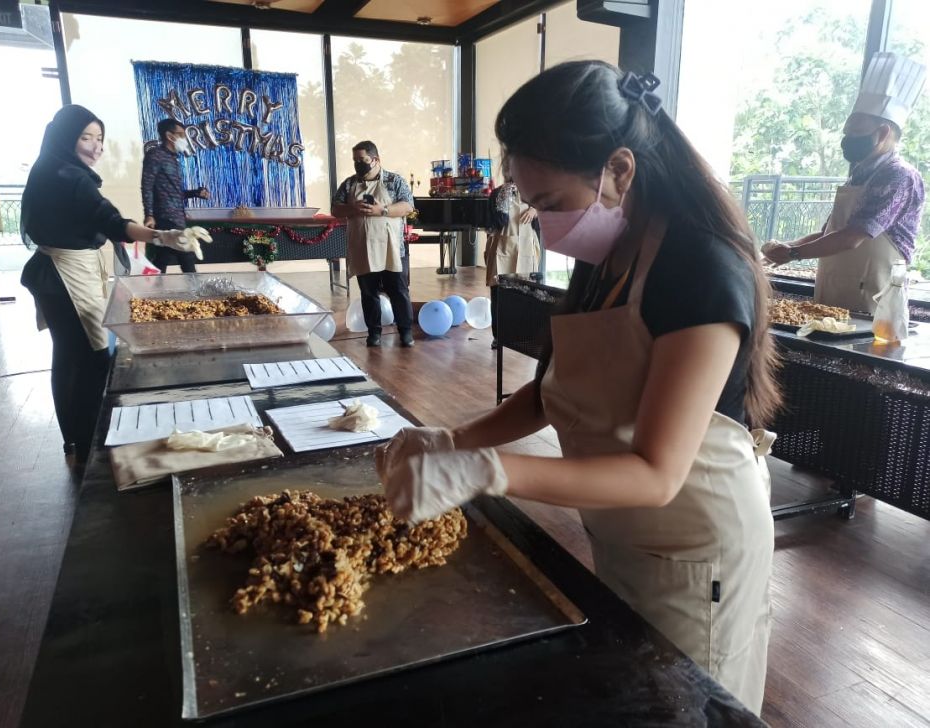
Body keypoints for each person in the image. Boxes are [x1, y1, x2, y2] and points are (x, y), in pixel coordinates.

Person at [377, 62, 782, 714]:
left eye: (552, 203)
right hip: (621, 533)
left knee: (687, 708)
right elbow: (550, 393)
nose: (541, 223)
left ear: (618, 171)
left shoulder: (699, 268)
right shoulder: (610, 257)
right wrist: (451, 440)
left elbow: (656, 473)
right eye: (531, 205)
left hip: (694, 549)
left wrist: (485, 471)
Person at [20, 105, 198, 464]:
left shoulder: (54, 168)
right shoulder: (66, 176)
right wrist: (161, 236)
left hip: (64, 270)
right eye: (86, 137)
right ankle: (88, 442)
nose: (96, 146)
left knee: (69, 355)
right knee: (90, 358)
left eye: (99, 138)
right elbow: (110, 220)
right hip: (66, 275)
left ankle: (75, 437)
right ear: (65, 137)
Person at [762, 52, 926, 313]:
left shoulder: (898, 175)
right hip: (836, 295)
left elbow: (852, 237)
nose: (847, 140)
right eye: (846, 133)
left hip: (876, 303)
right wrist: (788, 246)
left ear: (883, 133)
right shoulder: (860, 174)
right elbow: (829, 235)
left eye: (856, 133)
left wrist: (793, 254)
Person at [331, 141, 415, 347]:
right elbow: (335, 209)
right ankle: (374, 333)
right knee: (368, 293)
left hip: (392, 249)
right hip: (362, 249)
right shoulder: (349, 184)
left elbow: (407, 206)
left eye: (363, 160)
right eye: (355, 161)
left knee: (398, 291)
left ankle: (405, 331)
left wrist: (383, 210)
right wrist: (352, 208)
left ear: (376, 159)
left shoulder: (395, 181)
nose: (358, 164)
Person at [141, 118, 211, 274]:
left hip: (177, 217)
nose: (184, 138)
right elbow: (147, 186)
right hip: (165, 217)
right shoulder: (155, 155)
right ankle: (195, 291)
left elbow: (174, 192)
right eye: (181, 134)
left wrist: (195, 193)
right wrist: (149, 215)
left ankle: (152, 286)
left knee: (165, 256)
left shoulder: (173, 159)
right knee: (186, 256)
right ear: (169, 136)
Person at [484, 161, 541, 347]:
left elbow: (549, 207)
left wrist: (535, 209)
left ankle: (524, 333)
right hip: (502, 247)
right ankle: (498, 336)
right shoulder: (498, 192)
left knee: (526, 290)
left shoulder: (534, 193)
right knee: (499, 292)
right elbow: (494, 222)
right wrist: (505, 194)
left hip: (526, 247)